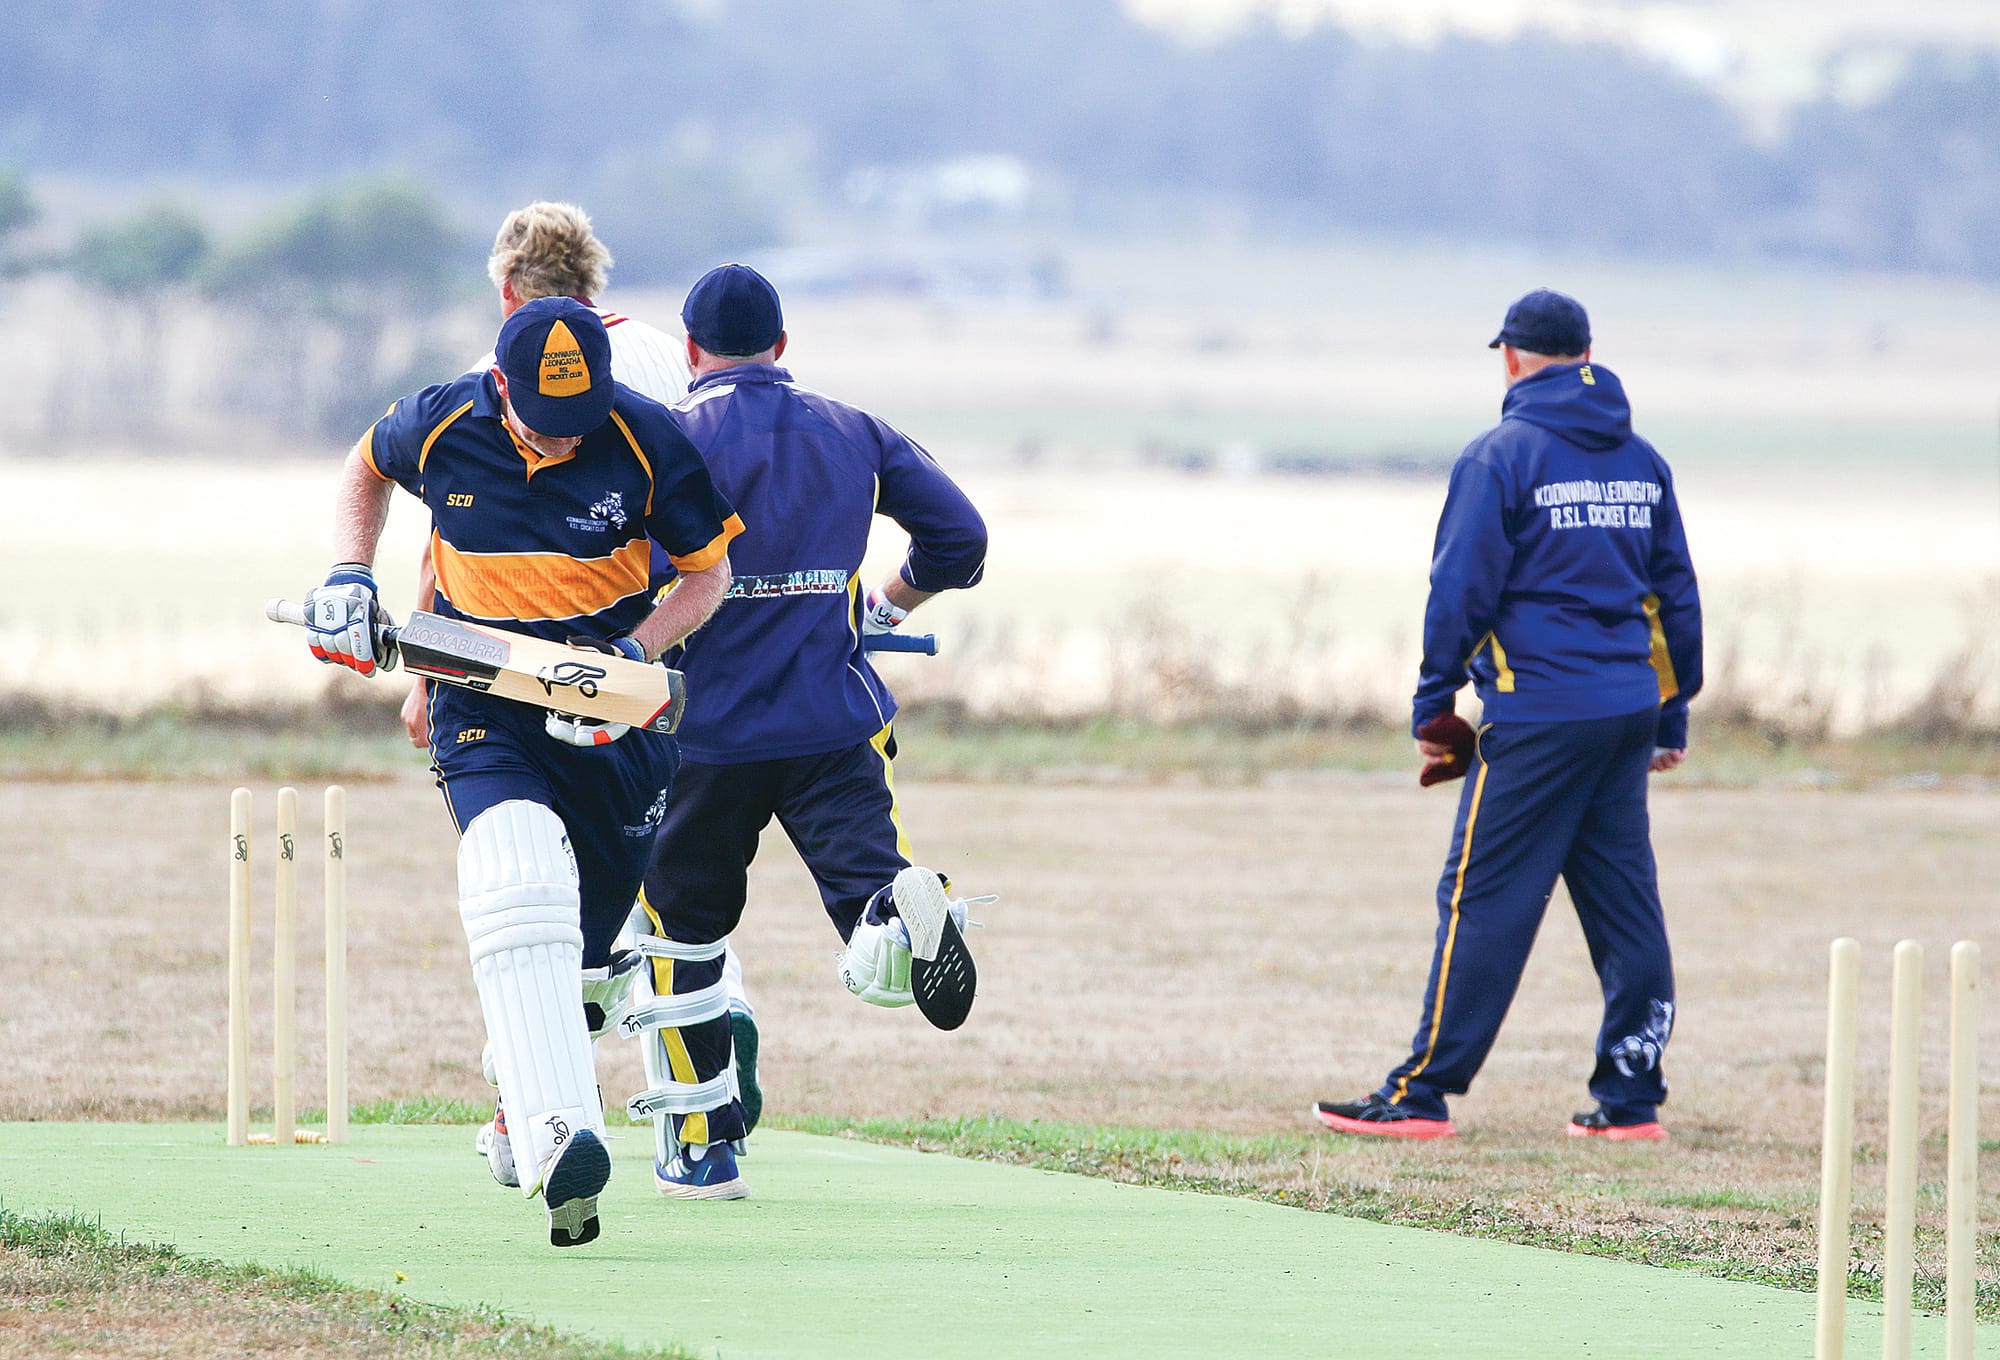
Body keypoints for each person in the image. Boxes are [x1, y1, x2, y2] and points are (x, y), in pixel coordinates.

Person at [302, 296, 742, 1244]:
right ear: (500, 386)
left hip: (611, 716)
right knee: (517, 870)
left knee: (578, 961)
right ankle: (561, 1139)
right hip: (481, 696)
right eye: (545, 424)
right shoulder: (444, 418)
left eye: (580, 423)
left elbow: (710, 575)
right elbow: (364, 467)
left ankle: (518, 1102)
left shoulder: (645, 437)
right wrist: (348, 573)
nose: (565, 441)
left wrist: (636, 643)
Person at [393, 203, 764, 1181]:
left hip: (603, 659)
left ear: (510, 290)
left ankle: (541, 1112)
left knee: (530, 898)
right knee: (656, 892)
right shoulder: (653, 355)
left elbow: (457, 537)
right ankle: (696, 1119)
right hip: (680, 652)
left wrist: (434, 660)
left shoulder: (509, 374)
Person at [622, 263, 990, 1200]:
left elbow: (627, 576)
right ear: (783, 347)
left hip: (700, 737)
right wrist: (883, 599)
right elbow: (962, 540)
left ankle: (703, 1149)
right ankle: (900, 910)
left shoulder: (668, 440)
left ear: (691, 349)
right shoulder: (853, 429)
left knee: (682, 937)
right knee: (867, 890)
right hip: (834, 722)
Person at [1314, 288, 1701, 1143]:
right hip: (1626, 711)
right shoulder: (1642, 460)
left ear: (1514, 358)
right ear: (1587, 353)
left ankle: (1420, 1094)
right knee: (1624, 906)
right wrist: (1671, 717)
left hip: (1537, 718)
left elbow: (1459, 590)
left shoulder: (1500, 457)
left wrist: (1432, 702)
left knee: (1481, 897)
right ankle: (1631, 1102)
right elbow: (1674, 596)